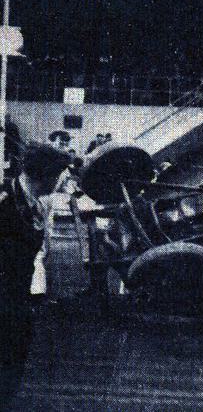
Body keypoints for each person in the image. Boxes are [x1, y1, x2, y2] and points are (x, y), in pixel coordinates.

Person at [0, 143, 72, 407]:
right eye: (60, 174)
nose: (63, 180)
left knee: (14, 362)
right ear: (47, 176)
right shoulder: (5, 202)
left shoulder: (35, 205)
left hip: (17, 299)